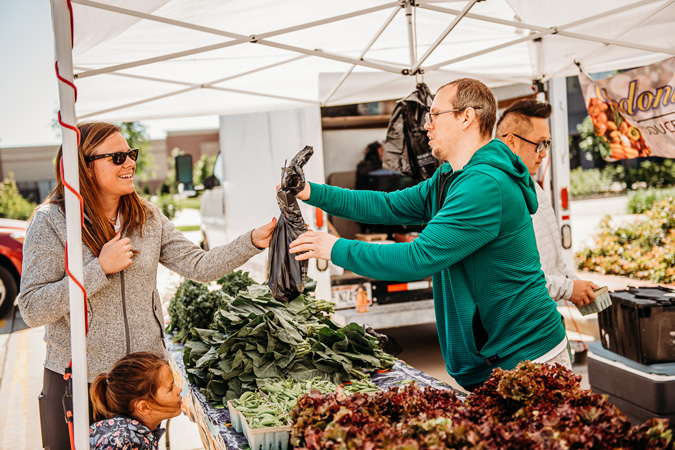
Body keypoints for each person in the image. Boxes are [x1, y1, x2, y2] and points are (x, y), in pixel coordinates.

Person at [289, 78, 569, 391]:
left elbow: (418, 258)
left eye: (434, 115)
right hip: (500, 360)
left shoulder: (485, 186)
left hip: (527, 360)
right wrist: (310, 191)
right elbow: (388, 206)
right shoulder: (450, 176)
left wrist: (334, 248)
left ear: (466, 117)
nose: (426, 125)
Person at [18, 122, 275, 450]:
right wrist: (98, 269)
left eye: (131, 154)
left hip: (141, 387)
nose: (129, 163)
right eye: (117, 157)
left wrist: (251, 241)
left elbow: (198, 265)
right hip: (80, 386)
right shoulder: (52, 223)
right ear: (84, 166)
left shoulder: (147, 218)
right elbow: (32, 307)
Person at [496, 99, 599, 306]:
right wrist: (568, 289)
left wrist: (576, 284)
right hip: (520, 323)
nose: (544, 153)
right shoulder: (495, 195)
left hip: (542, 311)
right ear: (511, 142)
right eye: (539, 144)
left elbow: (553, 262)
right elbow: (511, 276)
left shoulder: (534, 188)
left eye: (547, 144)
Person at [89, 352, 181, 449]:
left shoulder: (126, 434)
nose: (179, 389)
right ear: (144, 407)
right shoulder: (129, 443)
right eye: (170, 388)